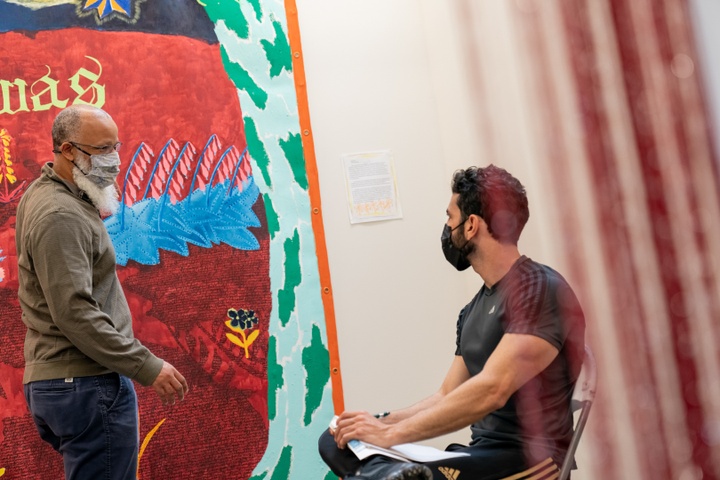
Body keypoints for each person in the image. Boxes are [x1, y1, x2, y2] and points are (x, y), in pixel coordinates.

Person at [319, 165, 586, 480]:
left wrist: (391, 436)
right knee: (335, 441)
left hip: (528, 458)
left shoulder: (539, 289)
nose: (447, 228)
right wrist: (383, 423)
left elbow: (493, 389)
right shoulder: (472, 309)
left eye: (450, 217)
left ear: (471, 225)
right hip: (478, 454)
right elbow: (446, 394)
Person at [16, 105, 189, 480]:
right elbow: (74, 309)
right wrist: (145, 365)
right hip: (85, 383)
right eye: (102, 150)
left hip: (68, 383)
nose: (114, 160)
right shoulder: (59, 213)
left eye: (116, 147)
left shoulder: (54, 196)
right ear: (67, 151)